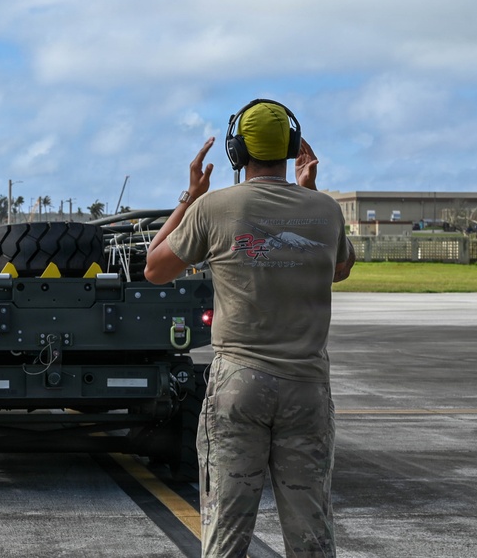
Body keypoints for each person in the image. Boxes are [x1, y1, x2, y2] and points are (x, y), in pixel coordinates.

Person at [144, 99, 355, 558]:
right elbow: (339, 269)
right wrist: (309, 191)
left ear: (237, 153)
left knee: (226, 529)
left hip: (239, 383)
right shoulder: (326, 211)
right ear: (293, 147)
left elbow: (154, 269)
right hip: (307, 388)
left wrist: (191, 197)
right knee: (312, 532)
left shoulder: (215, 208)